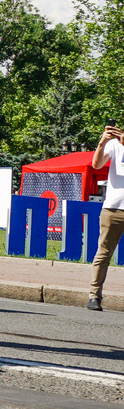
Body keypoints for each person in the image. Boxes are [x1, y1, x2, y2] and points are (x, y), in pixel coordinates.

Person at [87, 122, 124, 311]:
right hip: (114, 207)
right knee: (103, 253)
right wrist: (102, 142)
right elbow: (96, 164)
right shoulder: (114, 144)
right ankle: (94, 296)